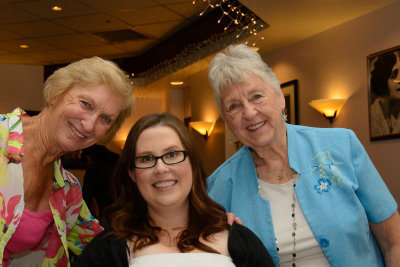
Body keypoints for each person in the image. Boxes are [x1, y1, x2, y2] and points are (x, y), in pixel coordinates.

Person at [206, 44, 400, 267]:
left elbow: (393, 240)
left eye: (256, 96)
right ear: (227, 119)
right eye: (234, 106)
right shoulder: (218, 186)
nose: (249, 113)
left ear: (280, 98)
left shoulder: (341, 146)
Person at [73, 113, 274, 267]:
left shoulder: (237, 239)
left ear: (193, 164)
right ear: (132, 174)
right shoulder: (108, 249)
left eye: (172, 154)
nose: (161, 168)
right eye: (146, 159)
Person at [0, 56, 134, 266]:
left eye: (106, 118)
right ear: (56, 94)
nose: (90, 125)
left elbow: (103, 245)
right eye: (86, 104)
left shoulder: (66, 189)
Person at [82, 144, 119, 226]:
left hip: (108, 214)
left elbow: (85, 196)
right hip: (128, 212)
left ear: (88, 158)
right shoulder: (119, 165)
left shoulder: (94, 169)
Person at [370, 50, 400, 138]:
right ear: (382, 80)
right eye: (394, 76)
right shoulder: (373, 117)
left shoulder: (395, 117)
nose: (399, 80)